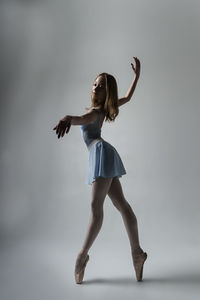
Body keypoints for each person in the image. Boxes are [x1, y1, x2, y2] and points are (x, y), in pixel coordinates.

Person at [53, 57, 147, 284]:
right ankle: (137, 254)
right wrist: (136, 77)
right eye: (95, 83)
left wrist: (68, 118)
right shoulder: (102, 111)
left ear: (107, 94)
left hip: (102, 154)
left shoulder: (97, 112)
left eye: (102, 85)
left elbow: (83, 118)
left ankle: (81, 256)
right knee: (122, 205)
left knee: (97, 209)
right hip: (104, 154)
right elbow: (127, 97)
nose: (96, 87)